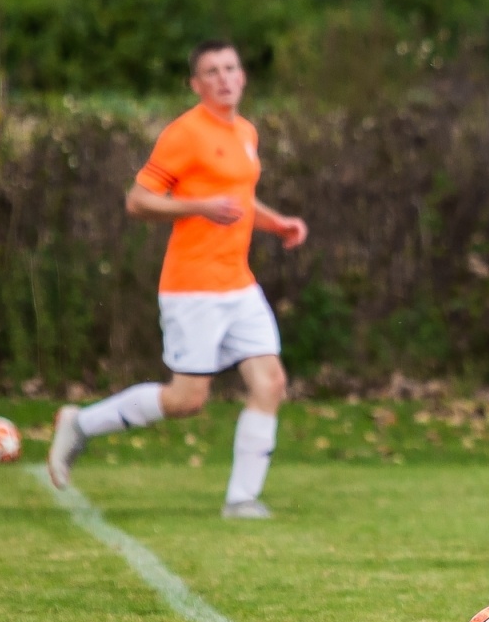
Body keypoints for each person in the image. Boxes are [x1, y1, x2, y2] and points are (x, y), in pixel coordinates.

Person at [48, 41, 308, 518]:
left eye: (230, 68)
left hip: (239, 283)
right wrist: (198, 207)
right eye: (212, 72)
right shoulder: (185, 133)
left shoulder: (246, 131)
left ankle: (241, 500)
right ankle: (81, 424)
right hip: (193, 287)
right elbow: (137, 200)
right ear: (196, 84)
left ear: (243, 75)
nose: (224, 78)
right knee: (187, 399)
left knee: (269, 382)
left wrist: (279, 223)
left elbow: (240, 199)